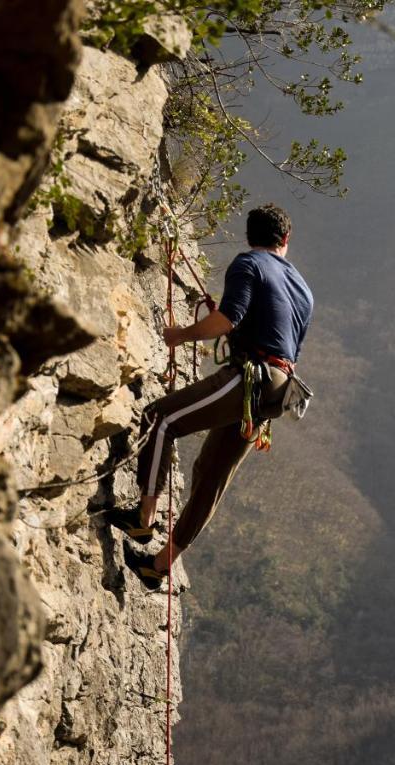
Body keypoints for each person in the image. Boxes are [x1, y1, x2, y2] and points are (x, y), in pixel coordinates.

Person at [107, 203, 313, 588]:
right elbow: (280, 339)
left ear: (251, 236)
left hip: (251, 375)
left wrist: (182, 333)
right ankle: (159, 565)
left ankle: (143, 519)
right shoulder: (303, 289)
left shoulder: (248, 264)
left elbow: (228, 320)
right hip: (277, 391)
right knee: (210, 475)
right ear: (285, 239)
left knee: (160, 418)